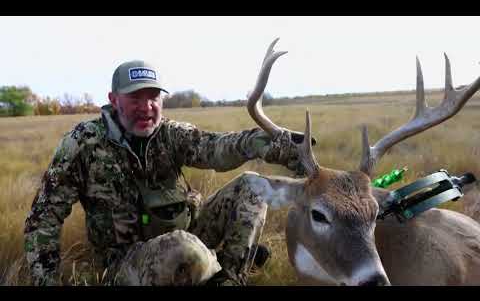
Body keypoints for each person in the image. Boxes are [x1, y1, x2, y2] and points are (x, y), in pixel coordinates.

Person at [24, 59, 305, 286]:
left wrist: (262, 144)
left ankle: (230, 277)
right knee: (183, 249)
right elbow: (43, 218)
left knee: (253, 186)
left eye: (154, 96)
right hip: (125, 260)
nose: (146, 107)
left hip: (186, 233)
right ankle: (209, 263)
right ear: (114, 99)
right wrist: (44, 279)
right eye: (135, 97)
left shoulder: (170, 134)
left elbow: (215, 148)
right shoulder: (83, 143)